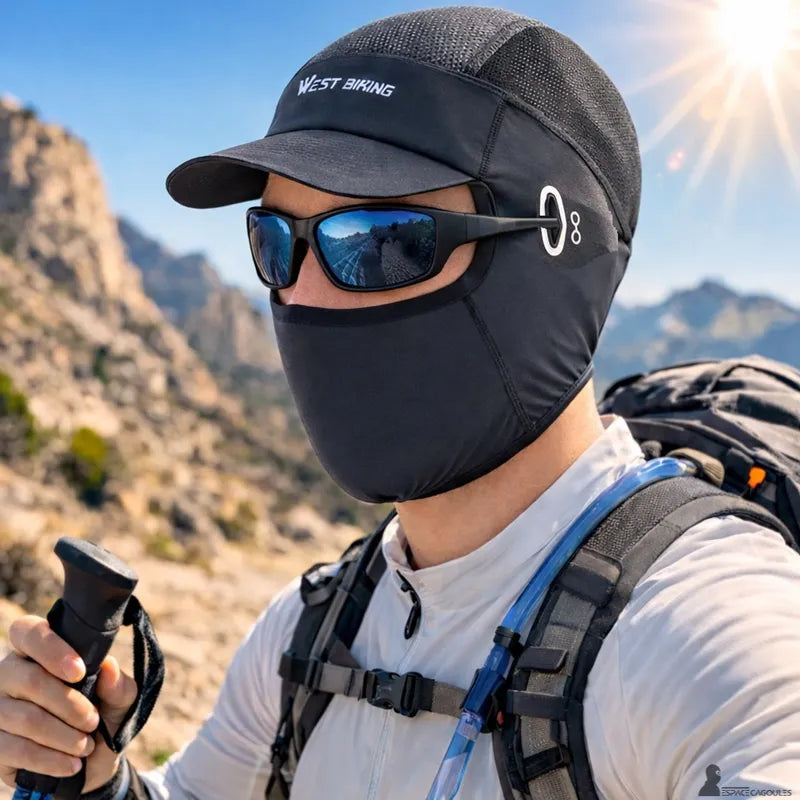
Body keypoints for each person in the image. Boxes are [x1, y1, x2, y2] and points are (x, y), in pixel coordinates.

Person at [2, 7, 800, 800]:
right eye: (275, 241)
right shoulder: (313, 626)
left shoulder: (708, 632)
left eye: (379, 239)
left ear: (554, 252)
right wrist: (94, 778)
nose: (302, 291)